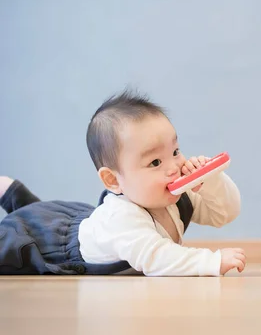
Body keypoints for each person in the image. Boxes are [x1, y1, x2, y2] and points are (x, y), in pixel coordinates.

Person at [0, 90, 246, 276]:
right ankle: (11, 193)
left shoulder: (175, 195)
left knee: (38, 212)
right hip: (49, 245)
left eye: (175, 151)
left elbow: (224, 214)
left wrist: (210, 181)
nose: (174, 167)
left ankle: (14, 194)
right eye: (154, 162)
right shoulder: (121, 219)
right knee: (19, 236)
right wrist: (211, 262)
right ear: (113, 180)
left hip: (80, 220)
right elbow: (156, 258)